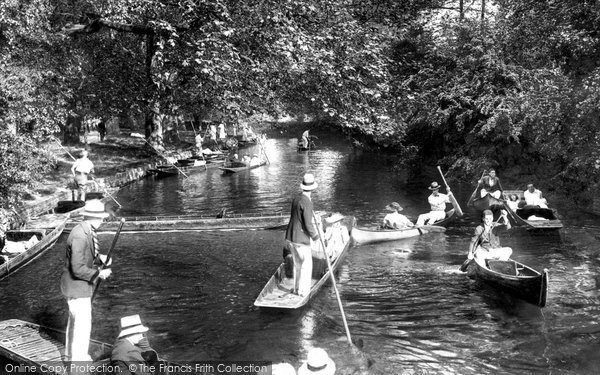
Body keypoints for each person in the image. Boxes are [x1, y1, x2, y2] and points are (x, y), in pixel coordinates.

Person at [60, 199, 112, 363]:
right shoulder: (80, 236)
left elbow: (84, 257)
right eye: (101, 218)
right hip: (77, 288)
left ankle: (70, 356)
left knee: (74, 323)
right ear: (92, 217)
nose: (103, 220)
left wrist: (99, 258)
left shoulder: (86, 230)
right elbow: (78, 268)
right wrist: (99, 274)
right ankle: (78, 363)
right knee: (82, 327)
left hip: (77, 287)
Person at [285, 173, 320, 296]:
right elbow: (308, 224)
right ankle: (303, 291)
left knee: (297, 265)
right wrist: (316, 237)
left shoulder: (296, 198)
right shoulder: (307, 202)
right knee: (306, 265)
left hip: (291, 236)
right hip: (301, 239)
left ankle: (296, 289)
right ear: (312, 189)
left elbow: (297, 217)